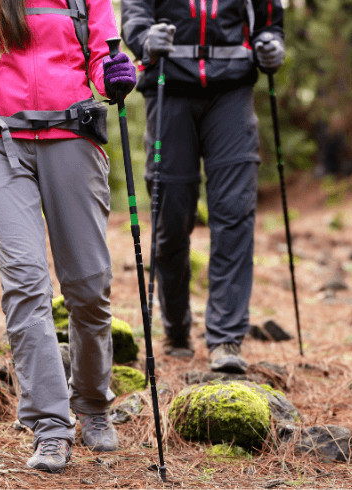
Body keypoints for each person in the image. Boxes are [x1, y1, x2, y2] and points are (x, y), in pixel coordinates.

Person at [0, 0, 137, 474]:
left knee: (88, 286)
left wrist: (114, 73)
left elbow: (100, 55)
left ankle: (92, 402)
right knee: (26, 282)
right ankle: (50, 426)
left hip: (72, 136)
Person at [121, 0, 285, 373]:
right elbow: (135, 13)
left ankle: (226, 338)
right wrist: (146, 38)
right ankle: (177, 327)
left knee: (234, 212)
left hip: (232, 91)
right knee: (172, 216)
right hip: (169, 87)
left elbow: (270, 20)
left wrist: (272, 45)